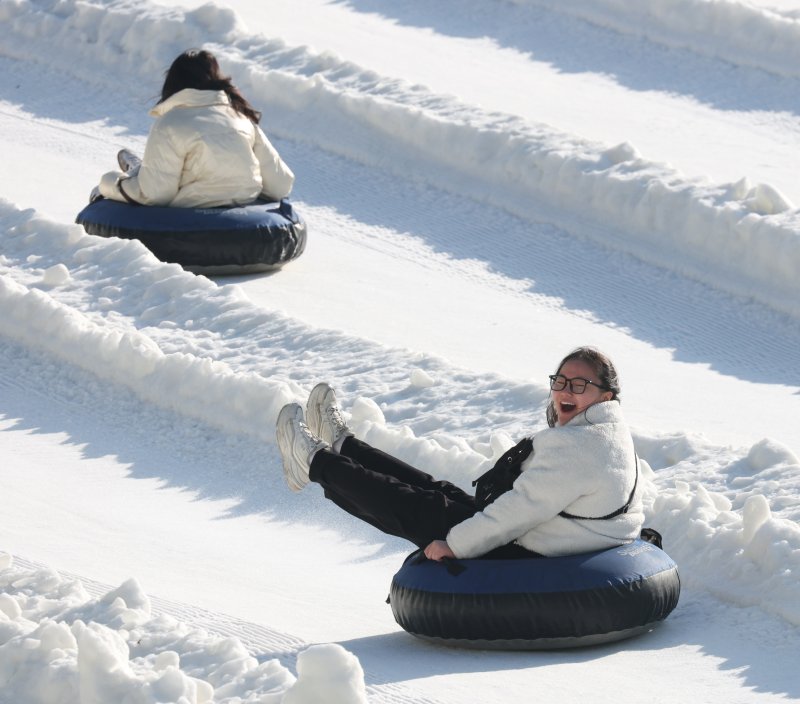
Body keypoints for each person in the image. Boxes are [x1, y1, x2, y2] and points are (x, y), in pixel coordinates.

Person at [276, 347, 644, 562]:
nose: (565, 391)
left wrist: (455, 544)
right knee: (437, 491)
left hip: (530, 552)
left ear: (604, 396)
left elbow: (519, 511)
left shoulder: (579, 447)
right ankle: (344, 446)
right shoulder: (607, 431)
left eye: (579, 385)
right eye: (560, 382)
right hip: (551, 533)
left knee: (414, 506)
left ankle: (315, 462)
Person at [92, 49, 294, 208]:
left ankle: (134, 171)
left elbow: (155, 195)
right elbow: (281, 184)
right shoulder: (241, 117)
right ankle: (138, 169)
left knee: (134, 187)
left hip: (192, 221)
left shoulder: (170, 124)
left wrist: (109, 183)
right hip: (247, 216)